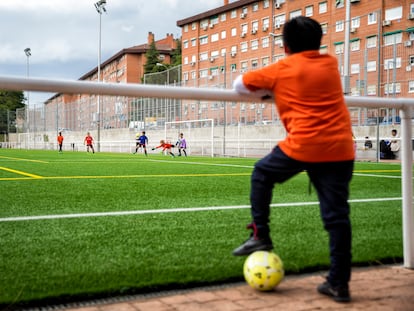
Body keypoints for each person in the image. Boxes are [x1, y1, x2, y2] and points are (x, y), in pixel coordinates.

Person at [232, 16, 354, 303]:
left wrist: (270, 89)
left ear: (285, 46)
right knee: (337, 218)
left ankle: (261, 233)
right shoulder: (331, 64)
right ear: (319, 42)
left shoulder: (282, 68)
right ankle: (339, 283)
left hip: (303, 145)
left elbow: (239, 85)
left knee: (262, 173)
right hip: (340, 148)